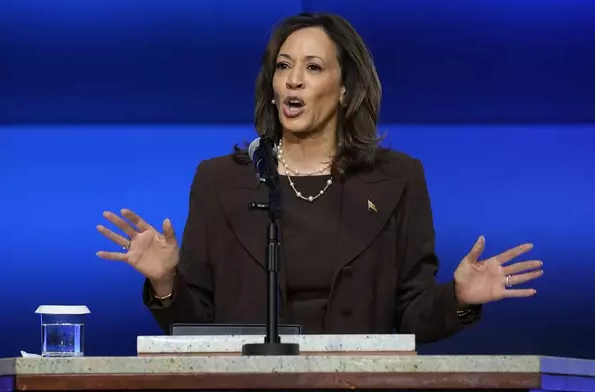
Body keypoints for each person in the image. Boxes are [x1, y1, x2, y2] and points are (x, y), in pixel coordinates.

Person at [96, 13, 543, 341]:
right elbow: (197, 329)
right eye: (283, 66)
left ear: (345, 88)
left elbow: (411, 318)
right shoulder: (220, 181)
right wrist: (165, 283)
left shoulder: (398, 179)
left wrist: (459, 299)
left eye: (312, 68)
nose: (293, 81)